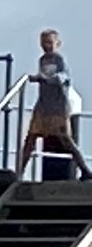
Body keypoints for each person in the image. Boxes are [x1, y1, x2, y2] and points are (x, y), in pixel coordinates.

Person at [29, 28, 78, 180]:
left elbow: (64, 77)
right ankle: (20, 169)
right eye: (44, 42)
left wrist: (50, 78)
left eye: (50, 42)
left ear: (57, 43)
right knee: (31, 137)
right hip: (44, 105)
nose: (47, 46)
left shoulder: (59, 60)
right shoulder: (42, 60)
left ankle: (83, 168)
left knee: (65, 139)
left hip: (57, 106)